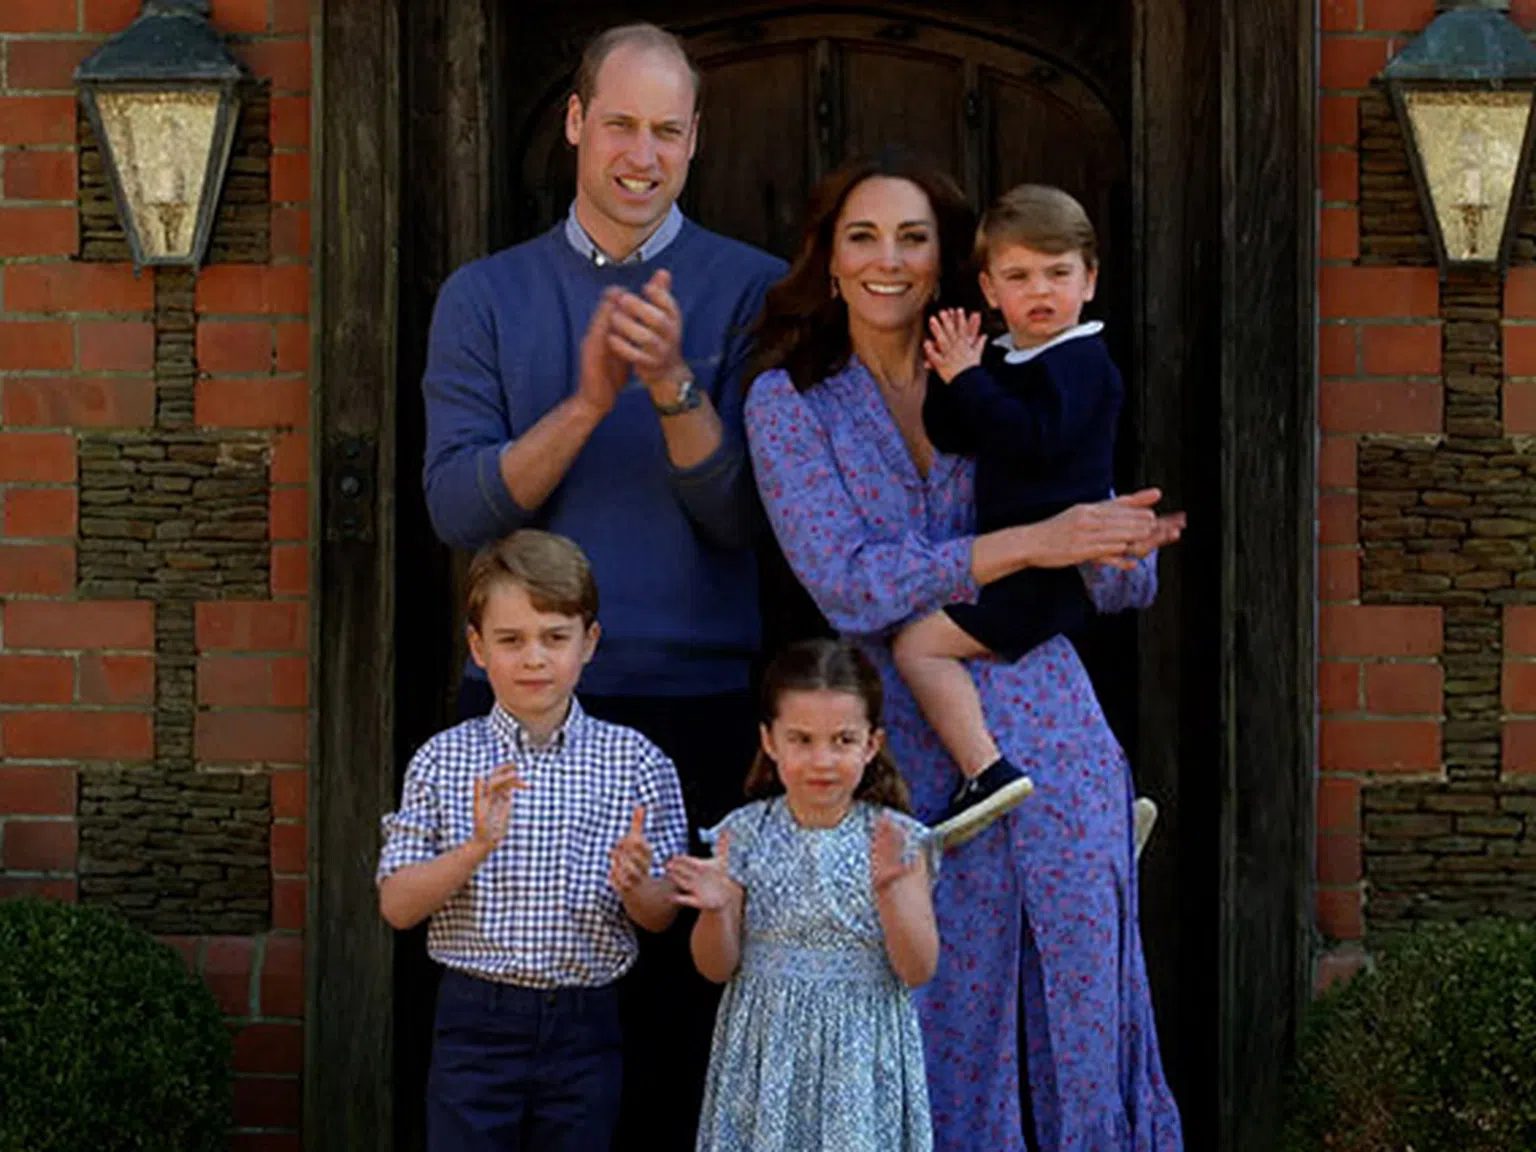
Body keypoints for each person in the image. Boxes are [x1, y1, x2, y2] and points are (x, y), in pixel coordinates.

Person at [744, 151, 1185, 1151]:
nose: (888, 260)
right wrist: (1033, 544)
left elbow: (1114, 577)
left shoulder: (1021, 367)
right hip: (904, 747)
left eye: (912, 239)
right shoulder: (790, 402)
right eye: (864, 237)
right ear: (831, 258)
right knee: (937, 1006)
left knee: (1081, 1002)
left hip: (1055, 729)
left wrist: (1119, 547)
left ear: (949, 266)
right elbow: (846, 582)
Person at [418, 22, 785, 1146]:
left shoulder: (753, 291)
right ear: (575, 122)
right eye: (619, 123)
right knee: (532, 1030)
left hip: (703, 707)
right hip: (528, 713)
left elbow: (741, 522)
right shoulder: (484, 296)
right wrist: (584, 403)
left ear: (695, 142)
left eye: (666, 130)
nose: (642, 153)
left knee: (681, 1027)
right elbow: (460, 511)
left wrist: (673, 384)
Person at [375, 529, 689, 1151]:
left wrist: (636, 886)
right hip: (475, 1022)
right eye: (511, 640)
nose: (534, 659)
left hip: (586, 1022)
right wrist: (473, 849)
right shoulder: (444, 760)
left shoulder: (636, 763)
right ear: (477, 648)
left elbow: (660, 920)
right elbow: (397, 906)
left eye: (555, 638)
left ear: (589, 643)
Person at [891, 184, 1122, 848]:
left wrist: (971, 378)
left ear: (1090, 279)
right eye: (1019, 276)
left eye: (1058, 273)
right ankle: (1091, 810)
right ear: (990, 290)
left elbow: (1031, 439)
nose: (1040, 291)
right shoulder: (1012, 359)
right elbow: (956, 433)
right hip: (1014, 564)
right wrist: (951, 371)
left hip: (1044, 574)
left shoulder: (1082, 362)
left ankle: (985, 772)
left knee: (918, 645)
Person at [668, 639, 938, 1152]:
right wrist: (717, 910)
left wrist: (891, 893)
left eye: (842, 740)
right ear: (770, 741)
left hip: (860, 1053)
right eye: (802, 739)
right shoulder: (742, 834)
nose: (823, 760)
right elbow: (716, 967)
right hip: (766, 1053)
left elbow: (918, 968)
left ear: (871, 744)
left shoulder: (898, 840)